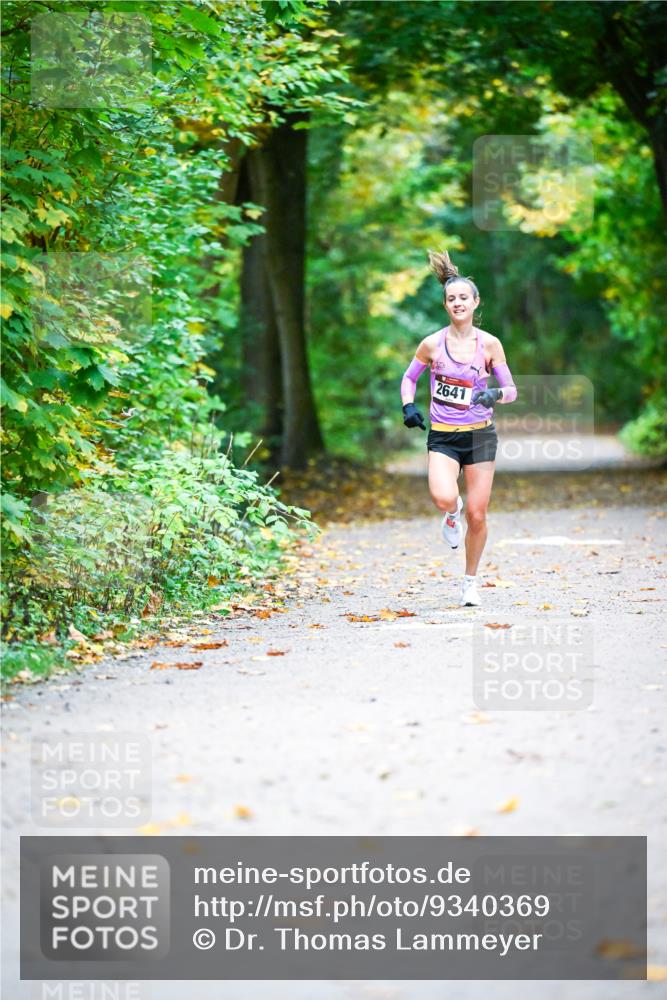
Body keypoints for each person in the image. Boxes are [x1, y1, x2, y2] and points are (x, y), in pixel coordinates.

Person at [400, 250, 517, 607]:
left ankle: (470, 583)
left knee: (477, 515)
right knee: (443, 497)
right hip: (444, 435)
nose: (458, 303)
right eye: (452, 299)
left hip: (480, 435)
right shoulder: (432, 344)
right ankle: (451, 514)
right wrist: (408, 405)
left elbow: (511, 390)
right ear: (446, 305)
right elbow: (409, 378)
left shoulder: (490, 344)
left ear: (475, 302)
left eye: (464, 297)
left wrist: (494, 393)